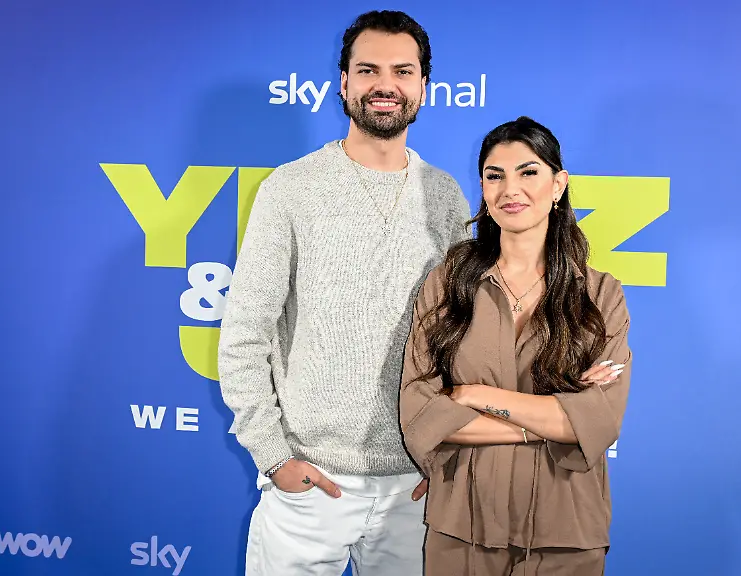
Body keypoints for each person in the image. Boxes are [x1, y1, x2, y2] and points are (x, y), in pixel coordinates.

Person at [217, 10, 470, 576]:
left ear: (424, 86)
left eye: (402, 71)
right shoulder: (290, 188)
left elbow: (463, 340)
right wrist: (275, 457)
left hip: (415, 489)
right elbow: (244, 336)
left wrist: (444, 450)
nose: (386, 85)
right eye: (369, 70)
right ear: (344, 83)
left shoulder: (448, 196)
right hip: (308, 487)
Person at [399, 116, 632, 576]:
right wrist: (553, 417)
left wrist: (471, 397)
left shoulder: (601, 295)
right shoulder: (448, 284)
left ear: (558, 184)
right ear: (483, 189)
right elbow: (420, 415)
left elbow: (600, 420)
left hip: (566, 528)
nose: (511, 189)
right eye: (494, 175)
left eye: (528, 172)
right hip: (462, 525)